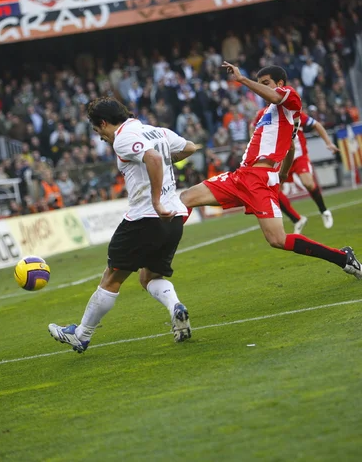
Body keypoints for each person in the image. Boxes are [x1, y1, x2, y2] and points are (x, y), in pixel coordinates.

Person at [180, 64, 362, 281]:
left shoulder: (290, 99)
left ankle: (343, 258)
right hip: (240, 176)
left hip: (259, 180)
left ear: (280, 84)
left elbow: (277, 100)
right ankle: (158, 253)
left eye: (265, 83)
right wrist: (284, 173)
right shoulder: (267, 113)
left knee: (278, 239)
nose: (261, 87)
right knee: (186, 198)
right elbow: (291, 146)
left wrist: (243, 80)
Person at [49, 97, 198, 353]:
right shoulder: (156, 130)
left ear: (104, 123)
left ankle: (81, 335)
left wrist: (155, 200)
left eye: (98, 131)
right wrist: (164, 168)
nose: (100, 138)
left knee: (111, 278)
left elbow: (151, 158)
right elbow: (190, 148)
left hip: (146, 218)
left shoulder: (123, 137)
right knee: (149, 276)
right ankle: (176, 308)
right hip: (173, 220)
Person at [252, 108, 339, 233]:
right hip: (281, 159)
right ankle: (297, 219)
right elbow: (253, 127)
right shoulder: (262, 114)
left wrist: (329, 143)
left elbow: (316, 124)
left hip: (298, 156)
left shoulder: (291, 112)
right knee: (273, 191)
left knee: (308, 183)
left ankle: (324, 210)